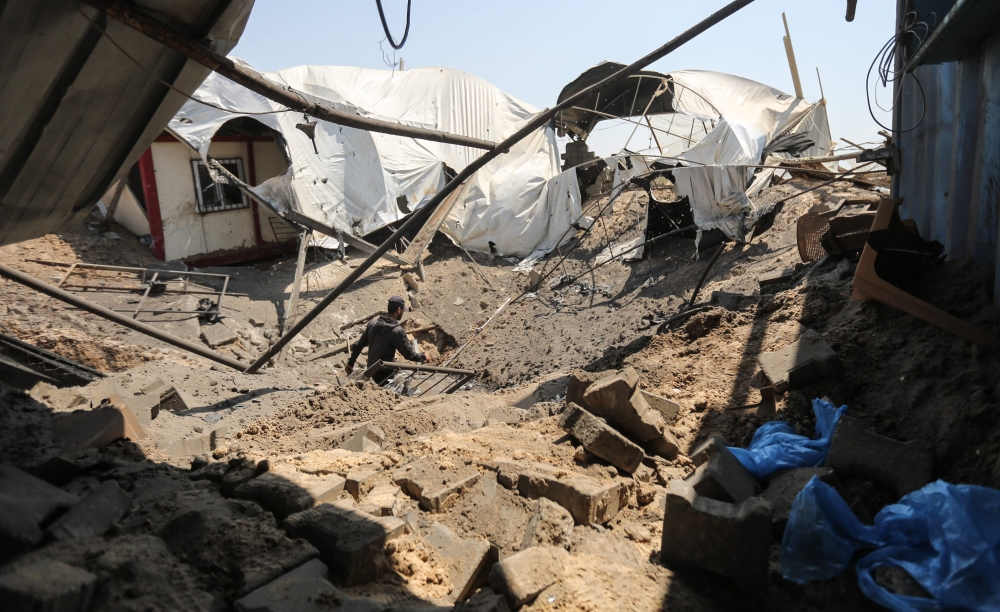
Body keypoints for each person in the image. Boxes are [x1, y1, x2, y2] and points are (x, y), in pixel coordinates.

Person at [345, 295, 426, 385]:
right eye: (403, 310)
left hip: (372, 370)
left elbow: (358, 345)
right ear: (399, 310)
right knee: (408, 378)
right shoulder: (396, 331)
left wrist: (350, 363)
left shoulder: (372, 323)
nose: (403, 313)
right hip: (386, 374)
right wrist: (424, 357)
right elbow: (409, 355)